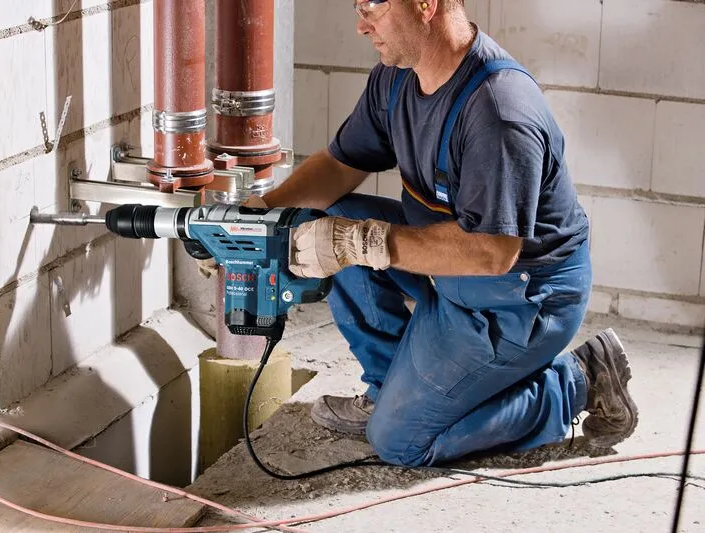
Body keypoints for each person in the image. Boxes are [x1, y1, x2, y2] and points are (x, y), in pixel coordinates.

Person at [255, 0, 639, 466]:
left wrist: (359, 243)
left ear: (425, 5)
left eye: (373, 8)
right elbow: (339, 167)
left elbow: (492, 254)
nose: (361, 26)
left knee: (399, 442)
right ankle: (391, 387)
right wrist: (261, 213)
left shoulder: (498, 110)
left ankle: (576, 379)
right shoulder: (396, 78)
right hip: (451, 265)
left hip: (519, 299)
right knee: (326, 217)